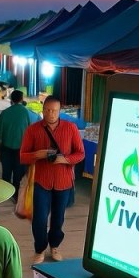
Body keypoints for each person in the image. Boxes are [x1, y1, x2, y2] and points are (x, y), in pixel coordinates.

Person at [19, 96, 84, 264]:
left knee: (58, 218)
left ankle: (54, 246)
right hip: (42, 181)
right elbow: (22, 156)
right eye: (47, 110)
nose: (51, 113)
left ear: (59, 111)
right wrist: (37, 155)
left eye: (54, 110)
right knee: (40, 218)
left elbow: (80, 153)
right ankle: (40, 248)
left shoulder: (71, 128)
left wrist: (65, 159)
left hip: (63, 182)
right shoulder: (32, 130)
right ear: (43, 110)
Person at [0, 90, 30, 202]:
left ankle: (5, 193)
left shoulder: (5, 113)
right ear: (21, 99)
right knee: (19, 172)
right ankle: (16, 195)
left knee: (6, 171)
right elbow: (29, 130)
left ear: (11, 99)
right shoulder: (25, 112)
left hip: (6, 146)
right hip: (21, 148)